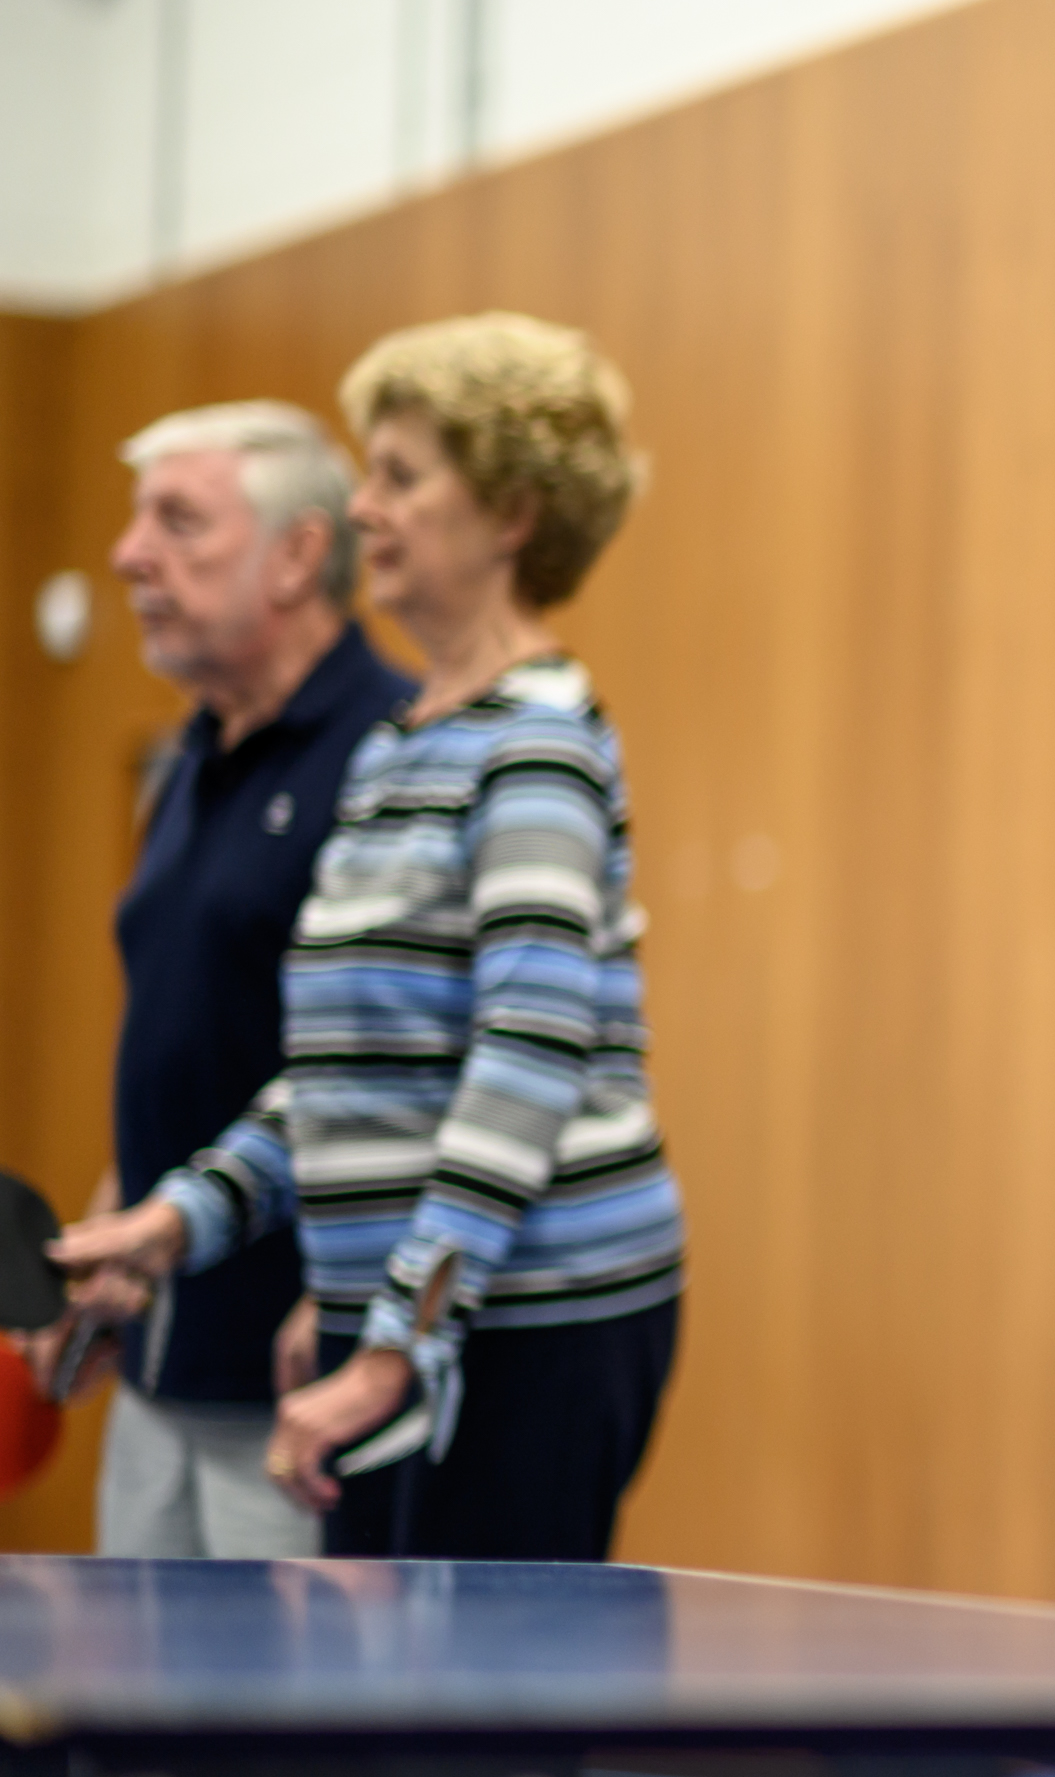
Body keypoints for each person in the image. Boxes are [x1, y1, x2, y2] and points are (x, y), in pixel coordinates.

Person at [55, 313, 685, 1562]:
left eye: (398, 477)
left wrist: (392, 1336)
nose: (365, 512)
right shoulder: (408, 744)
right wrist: (178, 1223)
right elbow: (349, 1078)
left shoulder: (538, 745)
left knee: (462, 1740)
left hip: (538, 1326)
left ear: (509, 512)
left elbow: (527, 1057)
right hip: (432, 1318)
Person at [33, 402, 412, 1559]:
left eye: (178, 522)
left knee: (275, 1737)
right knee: (135, 1725)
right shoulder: (192, 750)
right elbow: (180, 1028)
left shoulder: (392, 747)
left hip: (296, 1392)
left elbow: (399, 1065)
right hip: (158, 1373)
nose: (127, 553)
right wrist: (111, 1227)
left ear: (297, 554)